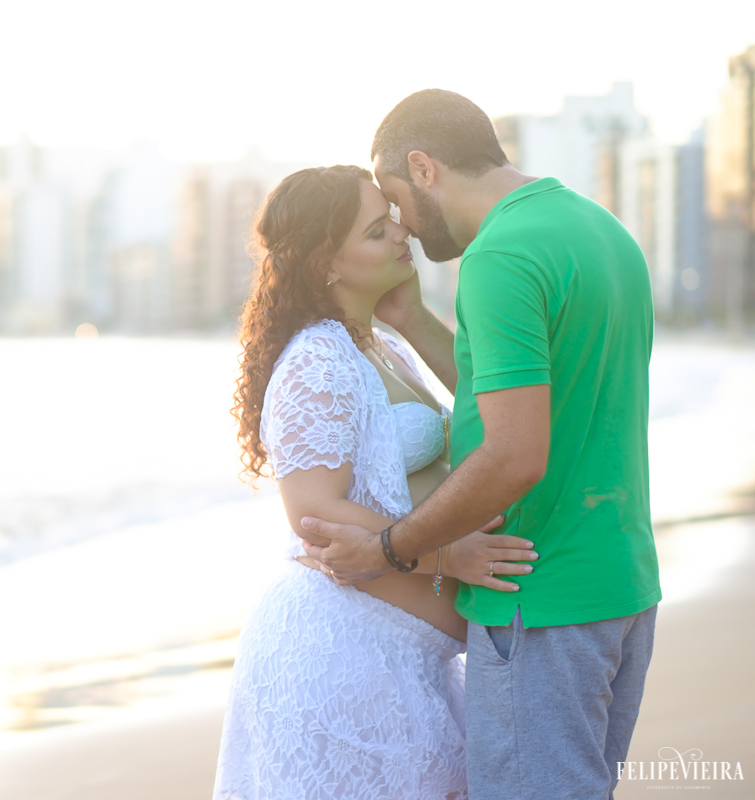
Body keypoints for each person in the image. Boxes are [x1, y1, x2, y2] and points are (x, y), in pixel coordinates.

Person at [299, 90, 660, 800]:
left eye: (396, 200)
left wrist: (389, 549)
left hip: (540, 599)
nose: (400, 222)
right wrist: (411, 319)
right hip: (620, 587)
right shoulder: (595, 226)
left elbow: (514, 453)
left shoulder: (498, 258)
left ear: (423, 167)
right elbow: (517, 390)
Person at [212, 164, 539, 800]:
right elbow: (314, 514)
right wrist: (451, 553)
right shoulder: (317, 358)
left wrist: (412, 316)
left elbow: (485, 413)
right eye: (374, 230)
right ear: (325, 264)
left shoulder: (377, 346)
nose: (400, 233)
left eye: (390, 218)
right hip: (336, 658)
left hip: (390, 657)